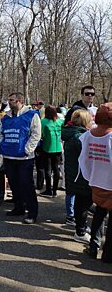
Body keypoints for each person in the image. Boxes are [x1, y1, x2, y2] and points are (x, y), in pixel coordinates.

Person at [0, 92, 41, 224]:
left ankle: (32, 212)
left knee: (26, 185)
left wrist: (27, 150)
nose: (8, 102)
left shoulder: (31, 115)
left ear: (20, 101)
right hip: (9, 156)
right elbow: (0, 133)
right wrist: (3, 145)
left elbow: (36, 134)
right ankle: (19, 208)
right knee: (14, 184)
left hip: (25, 158)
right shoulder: (5, 118)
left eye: (11, 100)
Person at [79, 102, 112, 263]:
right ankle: (108, 253)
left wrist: (90, 175)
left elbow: (83, 159)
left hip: (96, 181)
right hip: (109, 183)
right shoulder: (111, 136)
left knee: (99, 213)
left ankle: (94, 246)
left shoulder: (88, 135)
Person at [62, 109, 92, 242]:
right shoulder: (78, 136)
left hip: (75, 173)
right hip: (79, 174)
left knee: (82, 202)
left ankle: (82, 226)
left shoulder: (73, 133)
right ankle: (80, 231)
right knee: (83, 203)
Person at [39, 105, 64, 198]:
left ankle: (49, 190)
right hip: (58, 147)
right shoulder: (59, 121)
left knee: (48, 169)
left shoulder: (43, 121)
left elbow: (41, 134)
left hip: (47, 147)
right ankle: (55, 191)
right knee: (56, 169)